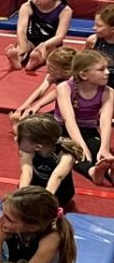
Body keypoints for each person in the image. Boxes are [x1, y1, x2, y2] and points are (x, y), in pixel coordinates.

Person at [55, 47, 114, 179]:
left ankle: (110, 173)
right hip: (63, 130)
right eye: (101, 69)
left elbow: (105, 121)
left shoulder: (108, 92)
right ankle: (92, 172)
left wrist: (104, 147)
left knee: (98, 151)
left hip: (88, 130)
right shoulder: (65, 88)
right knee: (73, 153)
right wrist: (81, 145)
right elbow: (69, 120)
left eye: (107, 68)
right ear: (83, 75)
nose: (107, 72)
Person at [7, 0, 72, 70]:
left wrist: (44, 45)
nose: (35, 0)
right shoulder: (27, 7)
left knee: (48, 52)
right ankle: (17, 59)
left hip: (50, 43)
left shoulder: (65, 10)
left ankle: (34, 62)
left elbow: (60, 36)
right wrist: (23, 46)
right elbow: (21, 30)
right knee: (21, 46)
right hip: (30, 40)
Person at [14, 114, 78, 210]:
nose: (15, 139)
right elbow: (27, 171)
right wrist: (22, 195)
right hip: (35, 187)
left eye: (20, 138)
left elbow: (57, 177)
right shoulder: (28, 151)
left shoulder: (66, 155)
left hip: (59, 192)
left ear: (38, 147)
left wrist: (45, 202)